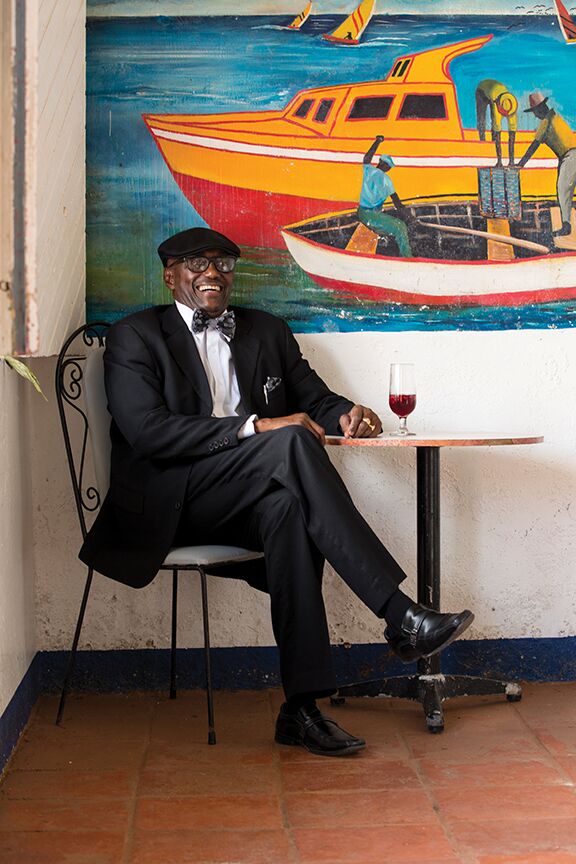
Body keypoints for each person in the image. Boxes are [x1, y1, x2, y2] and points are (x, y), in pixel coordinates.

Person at [80, 226, 474, 757]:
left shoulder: (265, 331)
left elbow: (315, 399)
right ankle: (399, 613)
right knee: (286, 442)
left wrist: (349, 414)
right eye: (197, 264)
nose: (212, 273)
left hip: (241, 499)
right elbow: (147, 432)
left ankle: (302, 710)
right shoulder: (136, 335)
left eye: (222, 263)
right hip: (171, 502)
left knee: (288, 508)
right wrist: (256, 427)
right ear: (170, 276)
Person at [517, 91, 576, 237]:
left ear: (540, 109)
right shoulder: (554, 116)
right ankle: (566, 223)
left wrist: (520, 164)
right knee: (564, 189)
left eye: (535, 112)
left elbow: (534, 146)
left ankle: (566, 226)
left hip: (570, 155)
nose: (535, 115)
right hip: (567, 156)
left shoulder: (546, 122)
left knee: (563, 190)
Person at [357, 135, 413, 257]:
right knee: (400, 227)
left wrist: (377, 141)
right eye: (388, 166)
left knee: (391, 226)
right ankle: (407, 258)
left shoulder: (368, 171)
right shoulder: (386, 180)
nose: (388, 169)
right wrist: (409, 216)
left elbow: (367, 157)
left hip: (362, 213)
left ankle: (386, 245)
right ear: (385, 166)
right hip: (371, 216)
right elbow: (397, 203)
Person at [475, 79, 518, 167]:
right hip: (482, 91)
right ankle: (483, 139)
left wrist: (511, 162)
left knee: (501, 127)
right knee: (482, 117)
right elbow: (497, 126)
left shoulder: (512, 107)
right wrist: (500, 162)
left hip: (495, 92)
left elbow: (512, 133)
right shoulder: (497, 104)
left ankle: (511, 160)